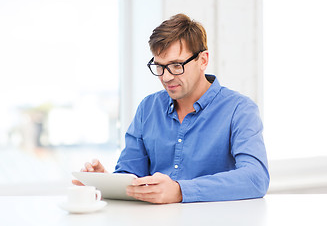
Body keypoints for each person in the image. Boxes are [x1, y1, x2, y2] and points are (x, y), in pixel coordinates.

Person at [73, 14, 270, 204]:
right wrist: (106, 183)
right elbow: (131, 175)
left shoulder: (239, 109)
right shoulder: (148, 108)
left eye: (176, 65)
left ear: (203, 60)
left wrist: (179, 191)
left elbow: (256, 178)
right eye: (159, 66)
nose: (166, 77)